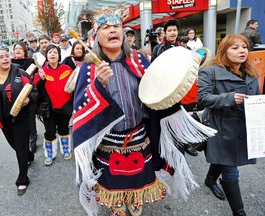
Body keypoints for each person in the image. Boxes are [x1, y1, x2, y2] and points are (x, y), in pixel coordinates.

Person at [71, 10, 216, 216]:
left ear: (122, 33)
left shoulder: (138, 59)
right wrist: (98, 86)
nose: (113, 30)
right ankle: (117, 203)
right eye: (106, 28)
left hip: (139, 135)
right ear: (97, 36)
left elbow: (159, 89)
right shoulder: (89, 67)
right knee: (113, 177)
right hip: (108, 140)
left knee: (138, 176)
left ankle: (135, 199)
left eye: (116, 27)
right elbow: (81, 105)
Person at [198, 34, 260, 215]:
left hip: (243, 126)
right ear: (224, 51)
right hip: (220, 127)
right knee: (231, 171)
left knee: (224, 158)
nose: (241, 51)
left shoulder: (251, 71)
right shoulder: (210, 71)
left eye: (244, 47)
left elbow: (256, 98)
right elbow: (203, 99)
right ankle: (239, 213)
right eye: (235, 48)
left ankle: (210, 180)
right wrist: (229, 98)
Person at [0, 48, 37, 195]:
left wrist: (28, 99)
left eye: (6, 56)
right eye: (1, 57)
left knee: (20, 147)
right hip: (2, 120)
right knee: (15, 146)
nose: (5, 59)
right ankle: (29, 156)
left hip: (21, 119)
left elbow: (34, 92)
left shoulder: (20, 74)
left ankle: (22, 180)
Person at [151, 19, 198, 157]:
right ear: (165, 33)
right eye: (170, 30)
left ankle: (185, 143)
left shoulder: (183, 49)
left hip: (180, 89)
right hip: (164, 89)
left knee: (182, 116)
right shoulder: (158, 49)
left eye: (174, 30)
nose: (172, 33)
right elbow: (153, 69)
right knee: (167, 118)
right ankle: (166, 146)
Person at [34, 45, 74, 166]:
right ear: (46, 55)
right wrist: (41, 79)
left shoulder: (67, 69)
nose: (52, 54)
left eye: (55, 52)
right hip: (48, 108)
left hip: (65, 106)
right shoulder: (42, 71)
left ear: (59, 55)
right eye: (50, 52)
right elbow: (37, 90)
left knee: (64, 129)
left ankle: (65, 149)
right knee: (50, 132)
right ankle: (50, 153)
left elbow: (74, 85)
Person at [11, 41, 38, 153]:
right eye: (16, 48)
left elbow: (37, 76)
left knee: (31, 119)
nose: (18, 50)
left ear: (25, 51)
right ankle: (23, 142)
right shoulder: (10, 63)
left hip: (28, 93)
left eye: (20, 49)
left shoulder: (31, 61)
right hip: (14, 95)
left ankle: (33, 139)